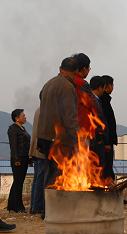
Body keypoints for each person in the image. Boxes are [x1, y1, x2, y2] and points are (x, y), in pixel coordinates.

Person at [37, 57, 79, 187]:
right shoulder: (67, 87)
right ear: (75, 72)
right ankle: (56, 206)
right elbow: (69, 116)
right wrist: (76, 138)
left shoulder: (48, 84)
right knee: (58, 176)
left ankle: (47, 205)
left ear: (60, 69)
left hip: (44, 136)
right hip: (58, 139)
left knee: (48, 174)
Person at [7, 109, 30, 213]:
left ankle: (12, 205)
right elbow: (13, 145)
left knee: (18, 182)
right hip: (18, 159)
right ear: (17, 118)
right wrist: (16, 159)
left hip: (24, 158)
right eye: (23, 115)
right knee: (18, 182)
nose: (25, 117)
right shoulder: (13, 129)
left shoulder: (23, 128)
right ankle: (18, 206)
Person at [90, 75, 110, 180]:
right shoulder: (93, 101)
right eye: (103, 88)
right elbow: (99, 123)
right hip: (96, 141)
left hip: (95, 141)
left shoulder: (94, 100)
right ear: (99, 87)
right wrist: (104, 140)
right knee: (97, 168)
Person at [29, 107, 46, 215]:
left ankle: (34, 206)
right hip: (42, 150)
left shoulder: (38, 110)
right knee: (41, 179)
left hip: (36, 149)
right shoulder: (45, 110)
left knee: (37, 179)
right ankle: (38, 207)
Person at [100, 75, 118, 180]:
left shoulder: (105, 100)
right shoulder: (103, 101)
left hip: (107, 140)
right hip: (106, 142)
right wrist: (107, 142)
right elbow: (105, 123)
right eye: (112, 85)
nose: (113, 87)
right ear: (107, 86)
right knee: (106, 167)